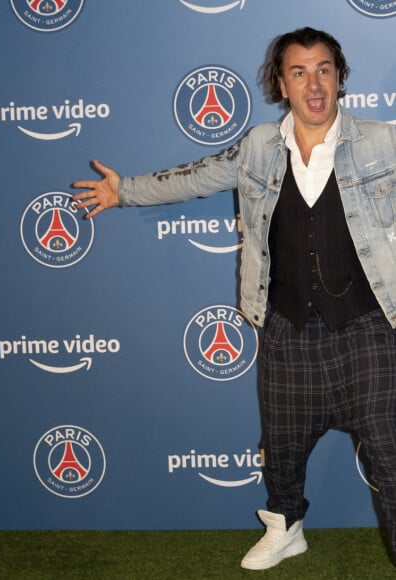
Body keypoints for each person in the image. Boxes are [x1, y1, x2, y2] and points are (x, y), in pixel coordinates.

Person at [72, 27, 396, 570]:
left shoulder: (383, 142)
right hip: (286, 327)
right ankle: (287, 527)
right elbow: (194, 178)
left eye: (323, 70)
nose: (313, 84)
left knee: (390, 454)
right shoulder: (257, 149)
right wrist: (123, 190)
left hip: (367, 326)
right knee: (284, 447)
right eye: (299, 72)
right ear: (281, 84)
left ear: (340, 79)